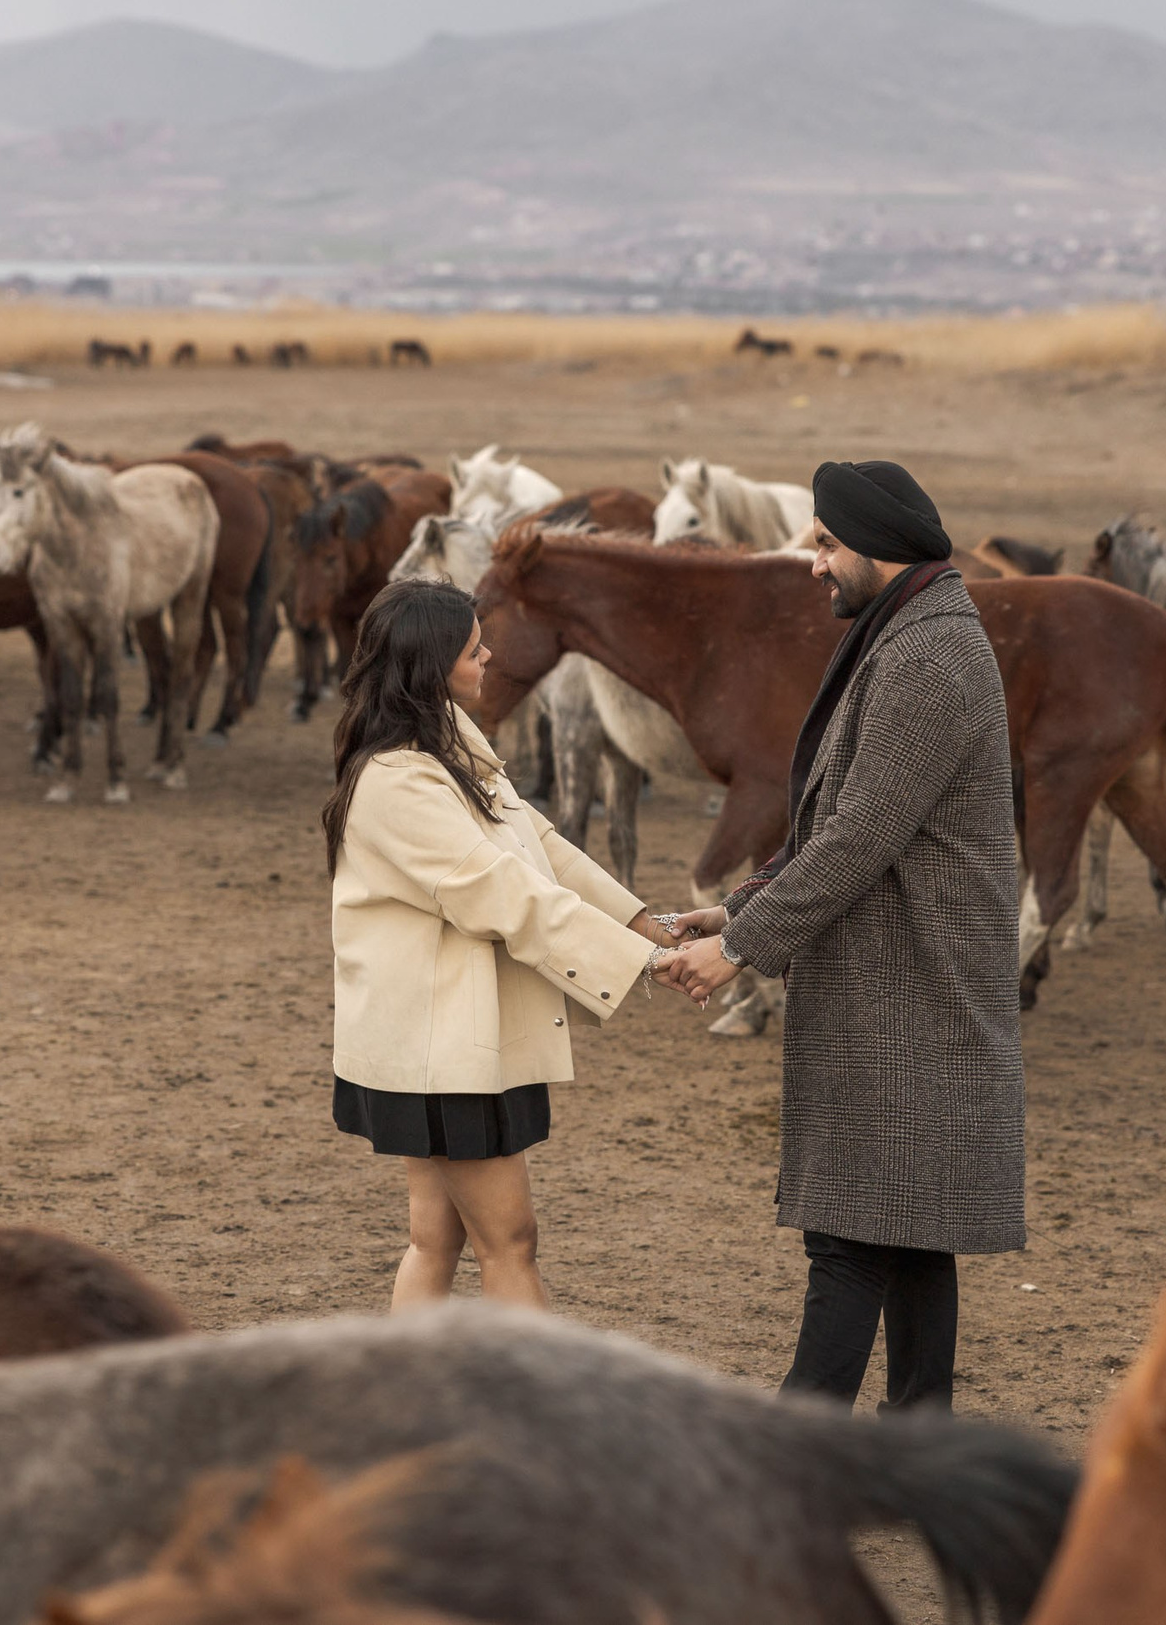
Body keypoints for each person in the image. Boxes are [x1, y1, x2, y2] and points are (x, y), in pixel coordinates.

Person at [661, 459, 1025, 1413]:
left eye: (825, 543)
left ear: (878, 550)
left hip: (911, 990)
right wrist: (737, 908)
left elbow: (862, 834)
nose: (811, 561)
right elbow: (841, 825)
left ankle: (789, 1473)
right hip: (898, 981)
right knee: (903, 1234)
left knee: (853, 1235)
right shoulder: (905, 632)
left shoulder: (930, 656)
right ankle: (922, 1451)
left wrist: (737, 952)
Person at [324, 577, 672, 1311]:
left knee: (437, 1240)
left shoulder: (446, 745)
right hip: (445, 1050)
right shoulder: (398, 781)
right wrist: (640, 961)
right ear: (430, 663)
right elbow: (501, 891)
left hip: (451, 1041)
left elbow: (537, 841)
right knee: (509, 1245)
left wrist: (646, 926)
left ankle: (413, 1406)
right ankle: (541, 1418)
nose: (490, 660)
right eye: (474, 650)